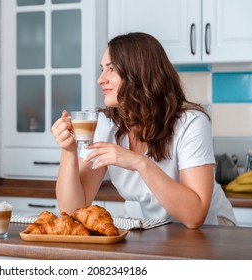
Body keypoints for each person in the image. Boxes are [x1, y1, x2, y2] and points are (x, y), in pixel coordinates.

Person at [51, 32, 236, 229]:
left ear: (139, 73)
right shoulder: (106, 125)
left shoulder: (190, 122)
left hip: (211, 231)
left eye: (111, 69)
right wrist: (68, 151)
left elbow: (194, 216)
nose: (100, 79)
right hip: (153, 229)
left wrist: (139, 163)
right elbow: (73, 210)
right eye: (102, 69)